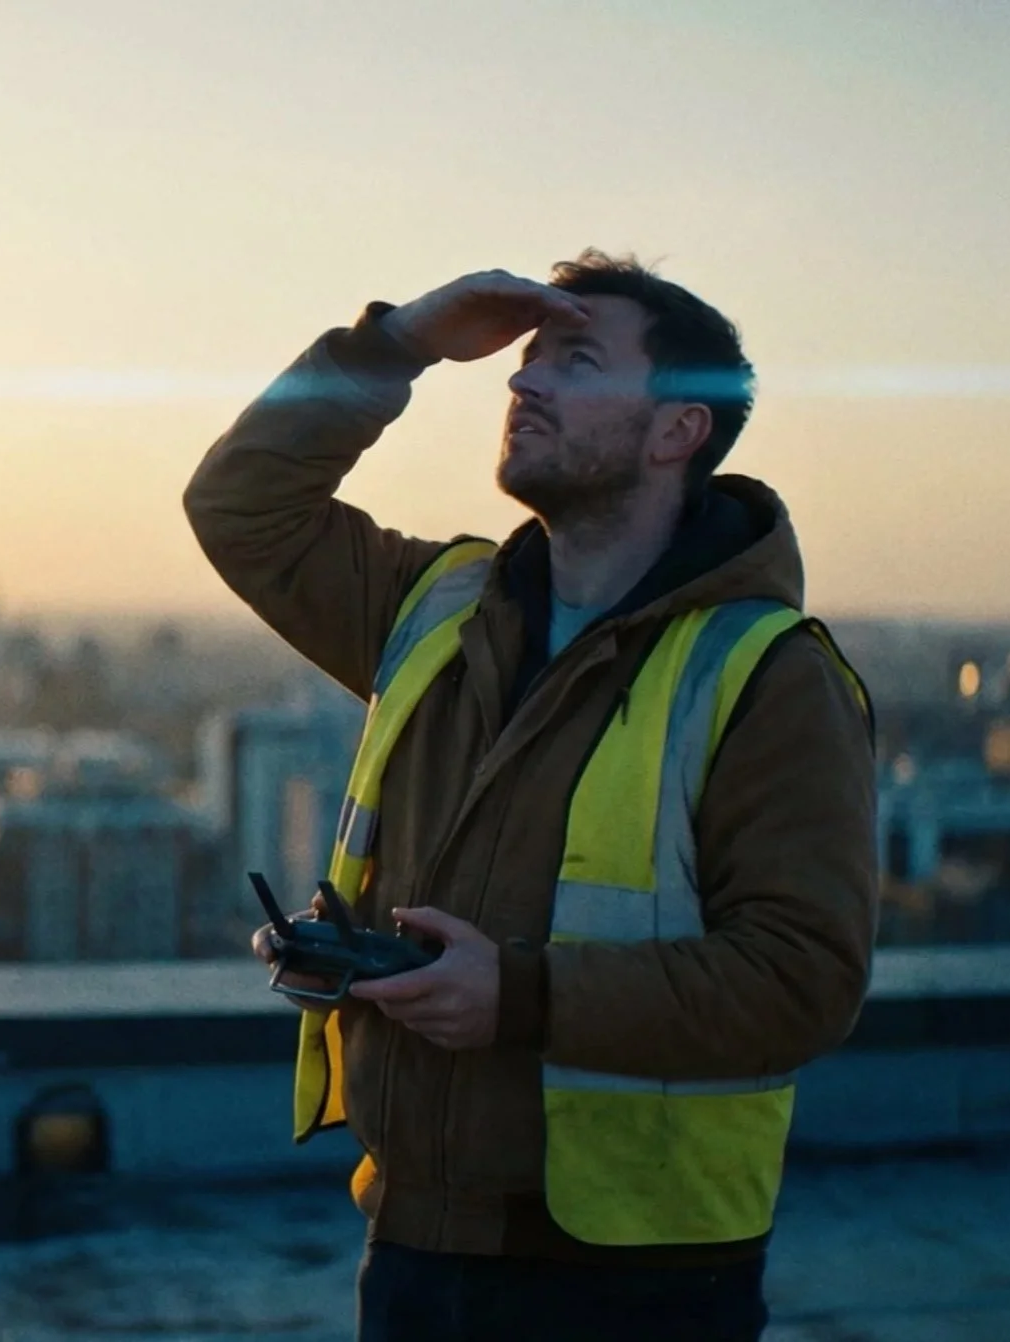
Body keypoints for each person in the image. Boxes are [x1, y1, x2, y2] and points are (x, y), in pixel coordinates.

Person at [184, 252, 878, 1342]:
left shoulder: (769, 675)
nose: (522, 383)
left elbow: (804, 982)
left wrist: (518, 998)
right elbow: (242, 503)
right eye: (528, 358)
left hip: (638, 1283)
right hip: (416, 1241)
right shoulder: (441, 605)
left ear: (676, 431)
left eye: (578, 361)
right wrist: (398, 340)